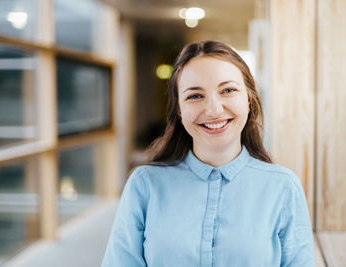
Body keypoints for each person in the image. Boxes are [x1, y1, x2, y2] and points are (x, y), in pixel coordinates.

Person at [102, 40, 315, 266]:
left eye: (228, 90)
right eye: (195, 96)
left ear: (249, 99)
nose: (214, 109)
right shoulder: (144, 185)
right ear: (179, 110)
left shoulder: (282, 187)